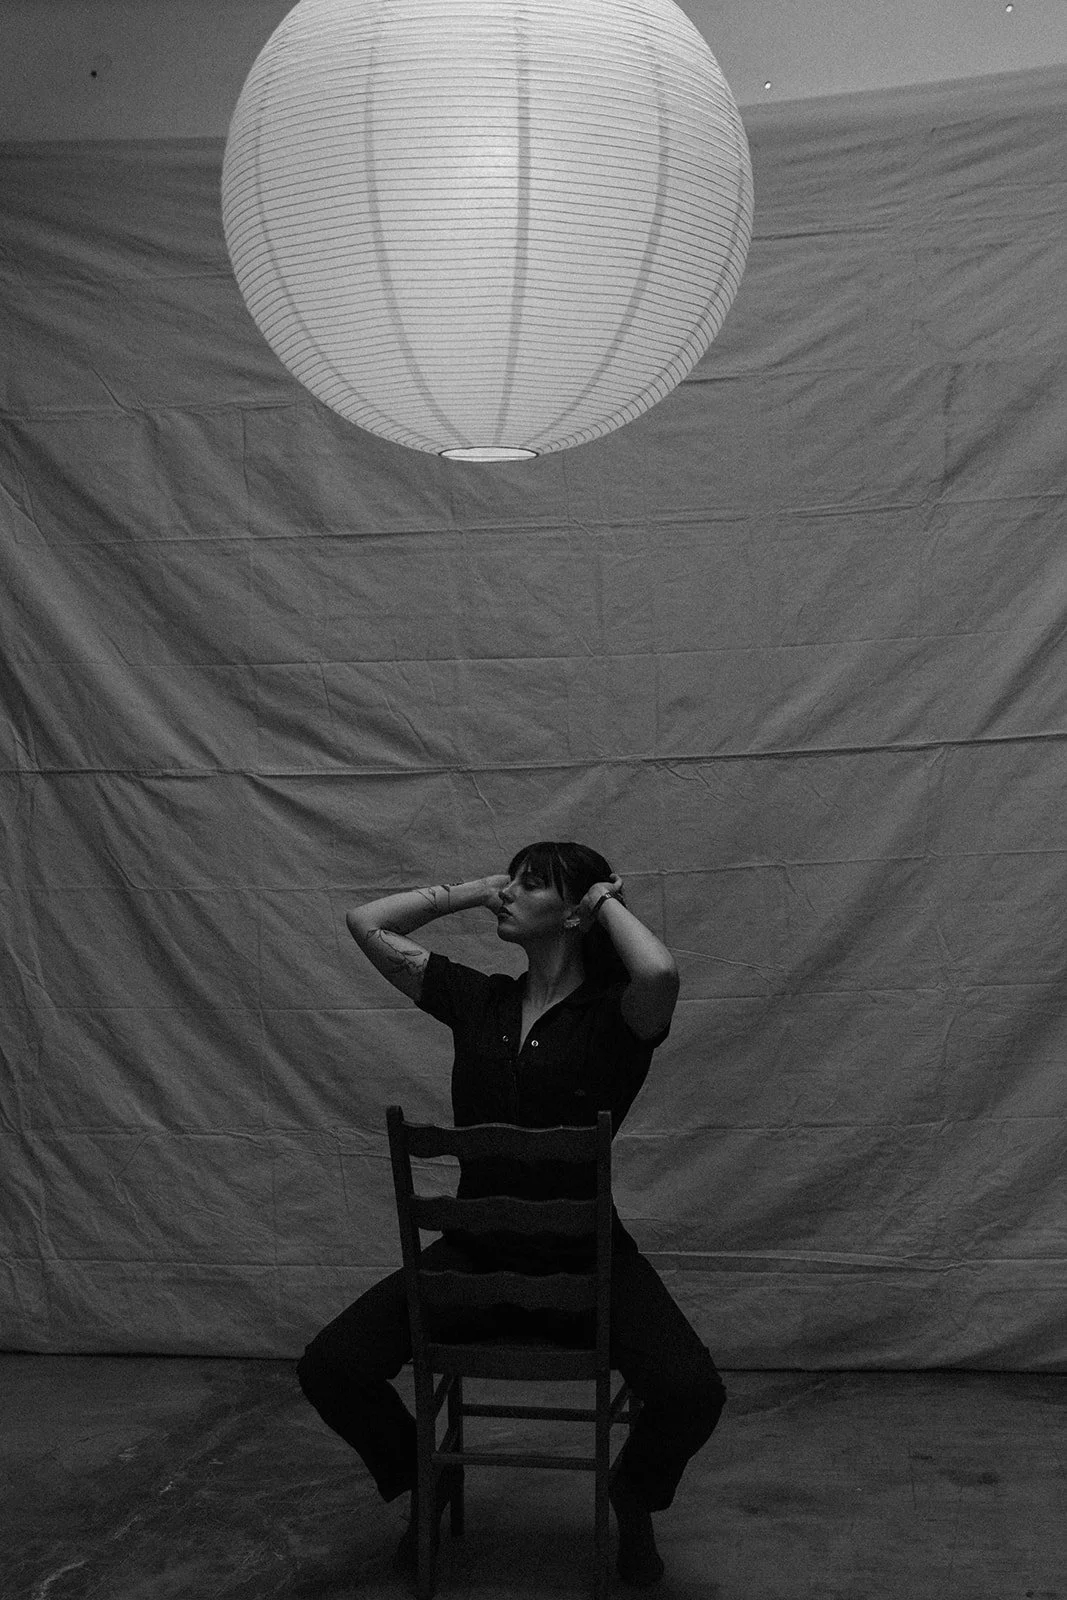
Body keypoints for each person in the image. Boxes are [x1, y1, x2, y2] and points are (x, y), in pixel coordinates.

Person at [297, 841, 725, 1588]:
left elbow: (658, 970)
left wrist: (604, 904)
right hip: (474, 1254)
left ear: (574, 911)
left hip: (588, 1256)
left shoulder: (619, 1015)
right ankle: (423, 1485)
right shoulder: (478, 1000)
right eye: (512, 880)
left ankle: (631, 1492)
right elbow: (365, 922)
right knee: (331, 1366)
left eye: (530, 886)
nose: (508, 894)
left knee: (691, 1393)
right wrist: (473, 890)